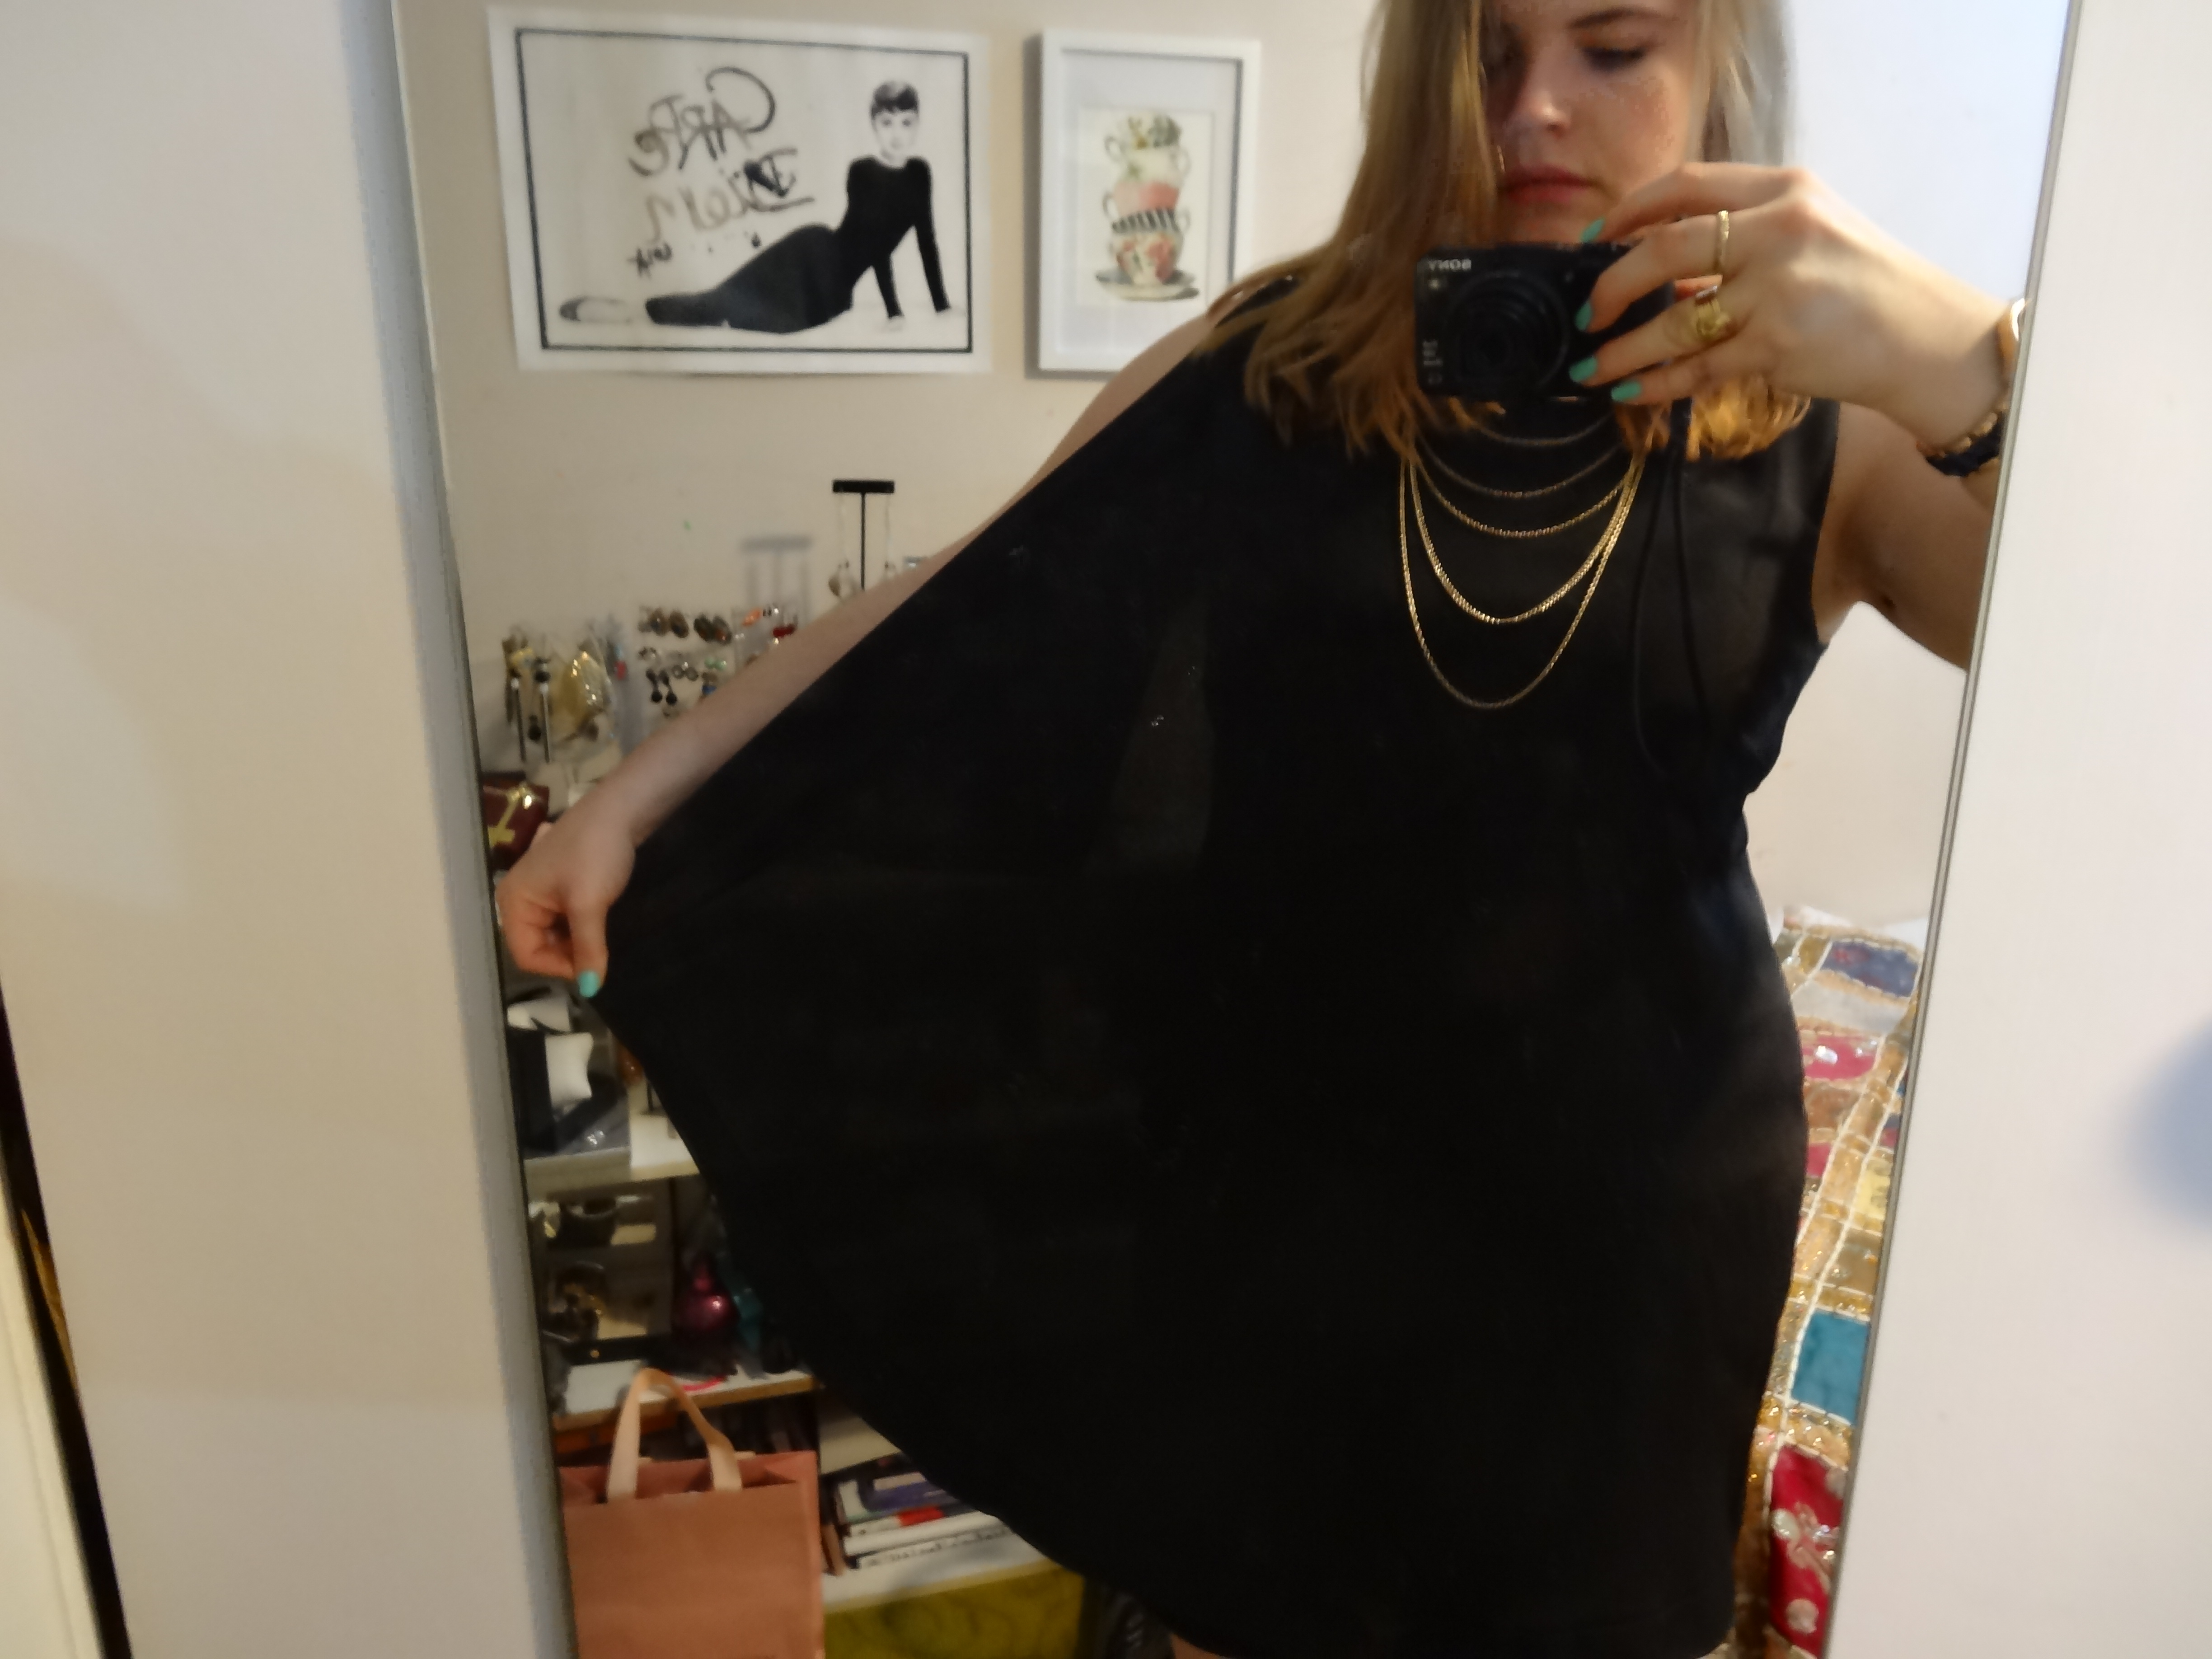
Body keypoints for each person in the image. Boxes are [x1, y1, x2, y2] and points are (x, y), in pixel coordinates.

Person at [500, 1, 2010, 1654]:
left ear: (1720, 64)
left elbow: (2104, 691)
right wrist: (636, 795)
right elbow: (963, 601)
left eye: (1612, 47)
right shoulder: (1273, 364)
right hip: (1278, 1192)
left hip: (1627, 1223)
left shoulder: (1826, 422)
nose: (1532, 110)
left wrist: (1969, 366)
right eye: (1486, 54)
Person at [641, 80, 953, 333]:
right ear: (874, 124)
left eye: (906, 123)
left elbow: (927, 241)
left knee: (766, 321)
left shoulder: (920, 173)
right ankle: (656, 311)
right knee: (721, 302)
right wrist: (894, 311)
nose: (897, 134)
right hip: (813, 255)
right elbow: (876, 245)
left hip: (835, 290)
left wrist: (942, 306)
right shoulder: (862, 171)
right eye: (887, 123)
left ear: (918, 124)